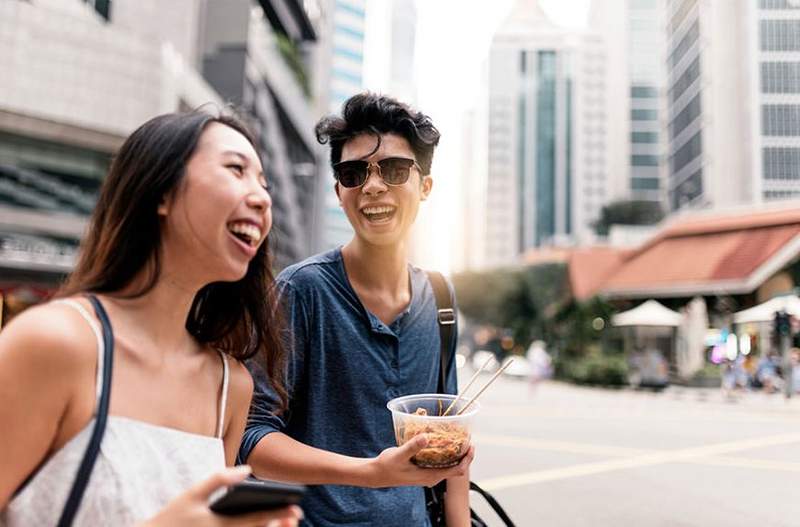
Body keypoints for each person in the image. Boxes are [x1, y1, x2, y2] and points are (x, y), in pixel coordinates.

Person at [0, 111, 302, 526]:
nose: (263, 198)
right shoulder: (55, 343)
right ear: (161, 191)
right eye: (236, 169)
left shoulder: (230, 386)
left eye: (264, 185)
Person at [239, 93, 474, 526]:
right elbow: (250, 437)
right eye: (353, 173)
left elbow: (453, 438)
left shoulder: (440, 297)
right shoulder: (301, 291)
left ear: (425, 187)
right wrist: (369, 473)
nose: (372, 185)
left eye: (394, 169)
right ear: (339, 193)